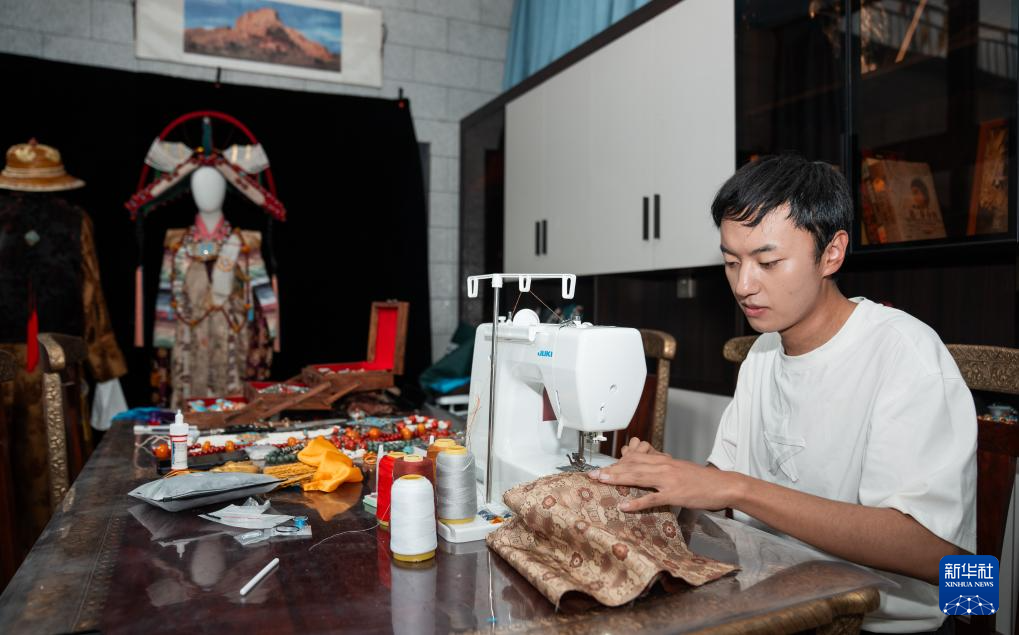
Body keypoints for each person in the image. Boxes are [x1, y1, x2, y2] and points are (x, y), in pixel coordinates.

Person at [589, 154, 975, 633]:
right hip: (777, 597)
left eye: (768, 262)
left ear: (832, 254)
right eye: (731, 262)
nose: (743, 285)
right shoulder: (764, 353)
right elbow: (722, 485)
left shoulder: (905, 353)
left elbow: (941, 556)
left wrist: (738, 488)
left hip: (881, 622)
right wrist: (669, 481)